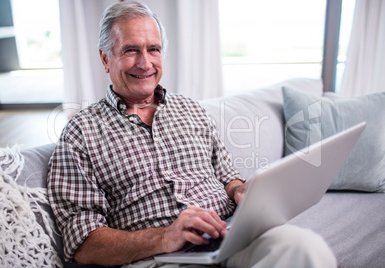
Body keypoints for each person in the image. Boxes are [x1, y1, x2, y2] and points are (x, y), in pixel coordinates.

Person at [47, 1, 337, 267]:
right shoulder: (81, 132)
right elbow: (83, 244)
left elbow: (227, 177)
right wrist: (165, 236)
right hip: (160, 259)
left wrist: (240, 191)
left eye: (153, 49)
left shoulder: (191, 109)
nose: (145, 63)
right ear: (105, 58)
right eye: (131, 50)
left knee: (305, 248)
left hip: (229, 236)